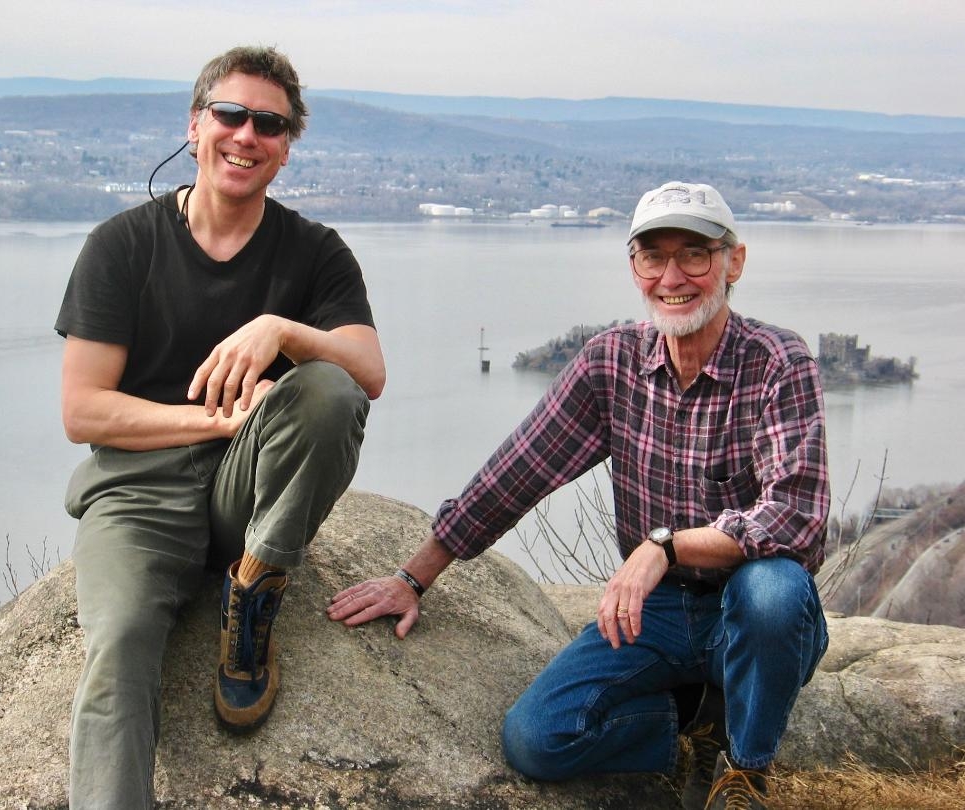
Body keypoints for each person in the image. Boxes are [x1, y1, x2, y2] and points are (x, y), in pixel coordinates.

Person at [328, 181, 828, 810]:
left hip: (749, 608)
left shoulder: (778, 362)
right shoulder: (611, 363)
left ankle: (744, 772)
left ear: (735, 261)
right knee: (537, 739)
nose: (673, 276)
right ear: (634, 268)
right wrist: (413, 578)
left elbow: (795, 518)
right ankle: (689, 726)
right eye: (654, 257)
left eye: (695, 254)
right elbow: (516, 473)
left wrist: (665, 548)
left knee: (777, 591)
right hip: (660, 613)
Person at [55, 45, 385, 809]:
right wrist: (212, 420)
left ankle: (256, 589)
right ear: (195, 124)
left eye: (267, 123)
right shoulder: (122, 246)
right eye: (229, 114)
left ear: (286, 147)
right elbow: (84, 412)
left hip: (247, 497)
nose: (245, 135)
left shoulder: (313, 251)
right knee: (119, 649)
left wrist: (282, 329)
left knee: (329, 390)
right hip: (137, 494)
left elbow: (367, 372)